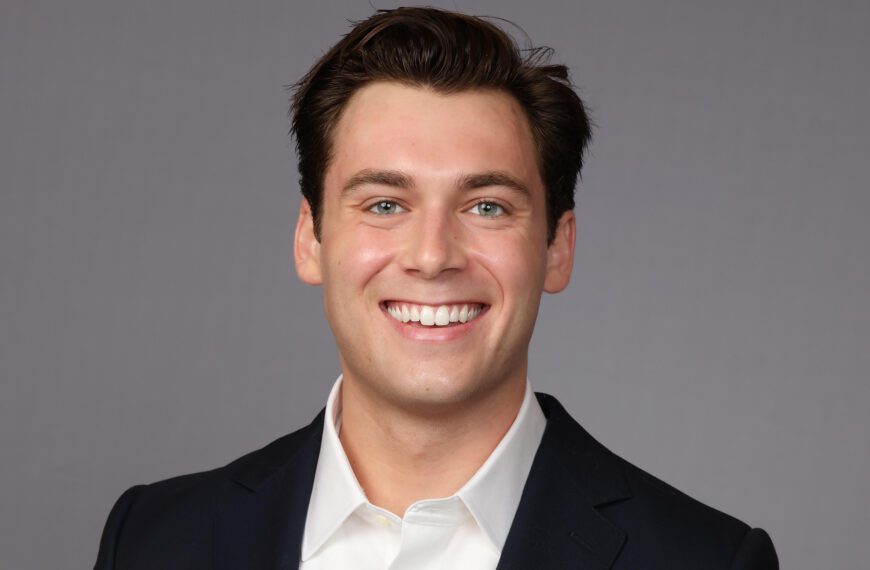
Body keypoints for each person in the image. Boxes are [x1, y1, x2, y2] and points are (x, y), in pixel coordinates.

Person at [95, 7, 778, 569]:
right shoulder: (153, 541)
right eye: (385, 204)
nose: (431, 256)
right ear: (312, 238)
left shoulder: (707, 560)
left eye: (486, 206)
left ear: (557, 248)